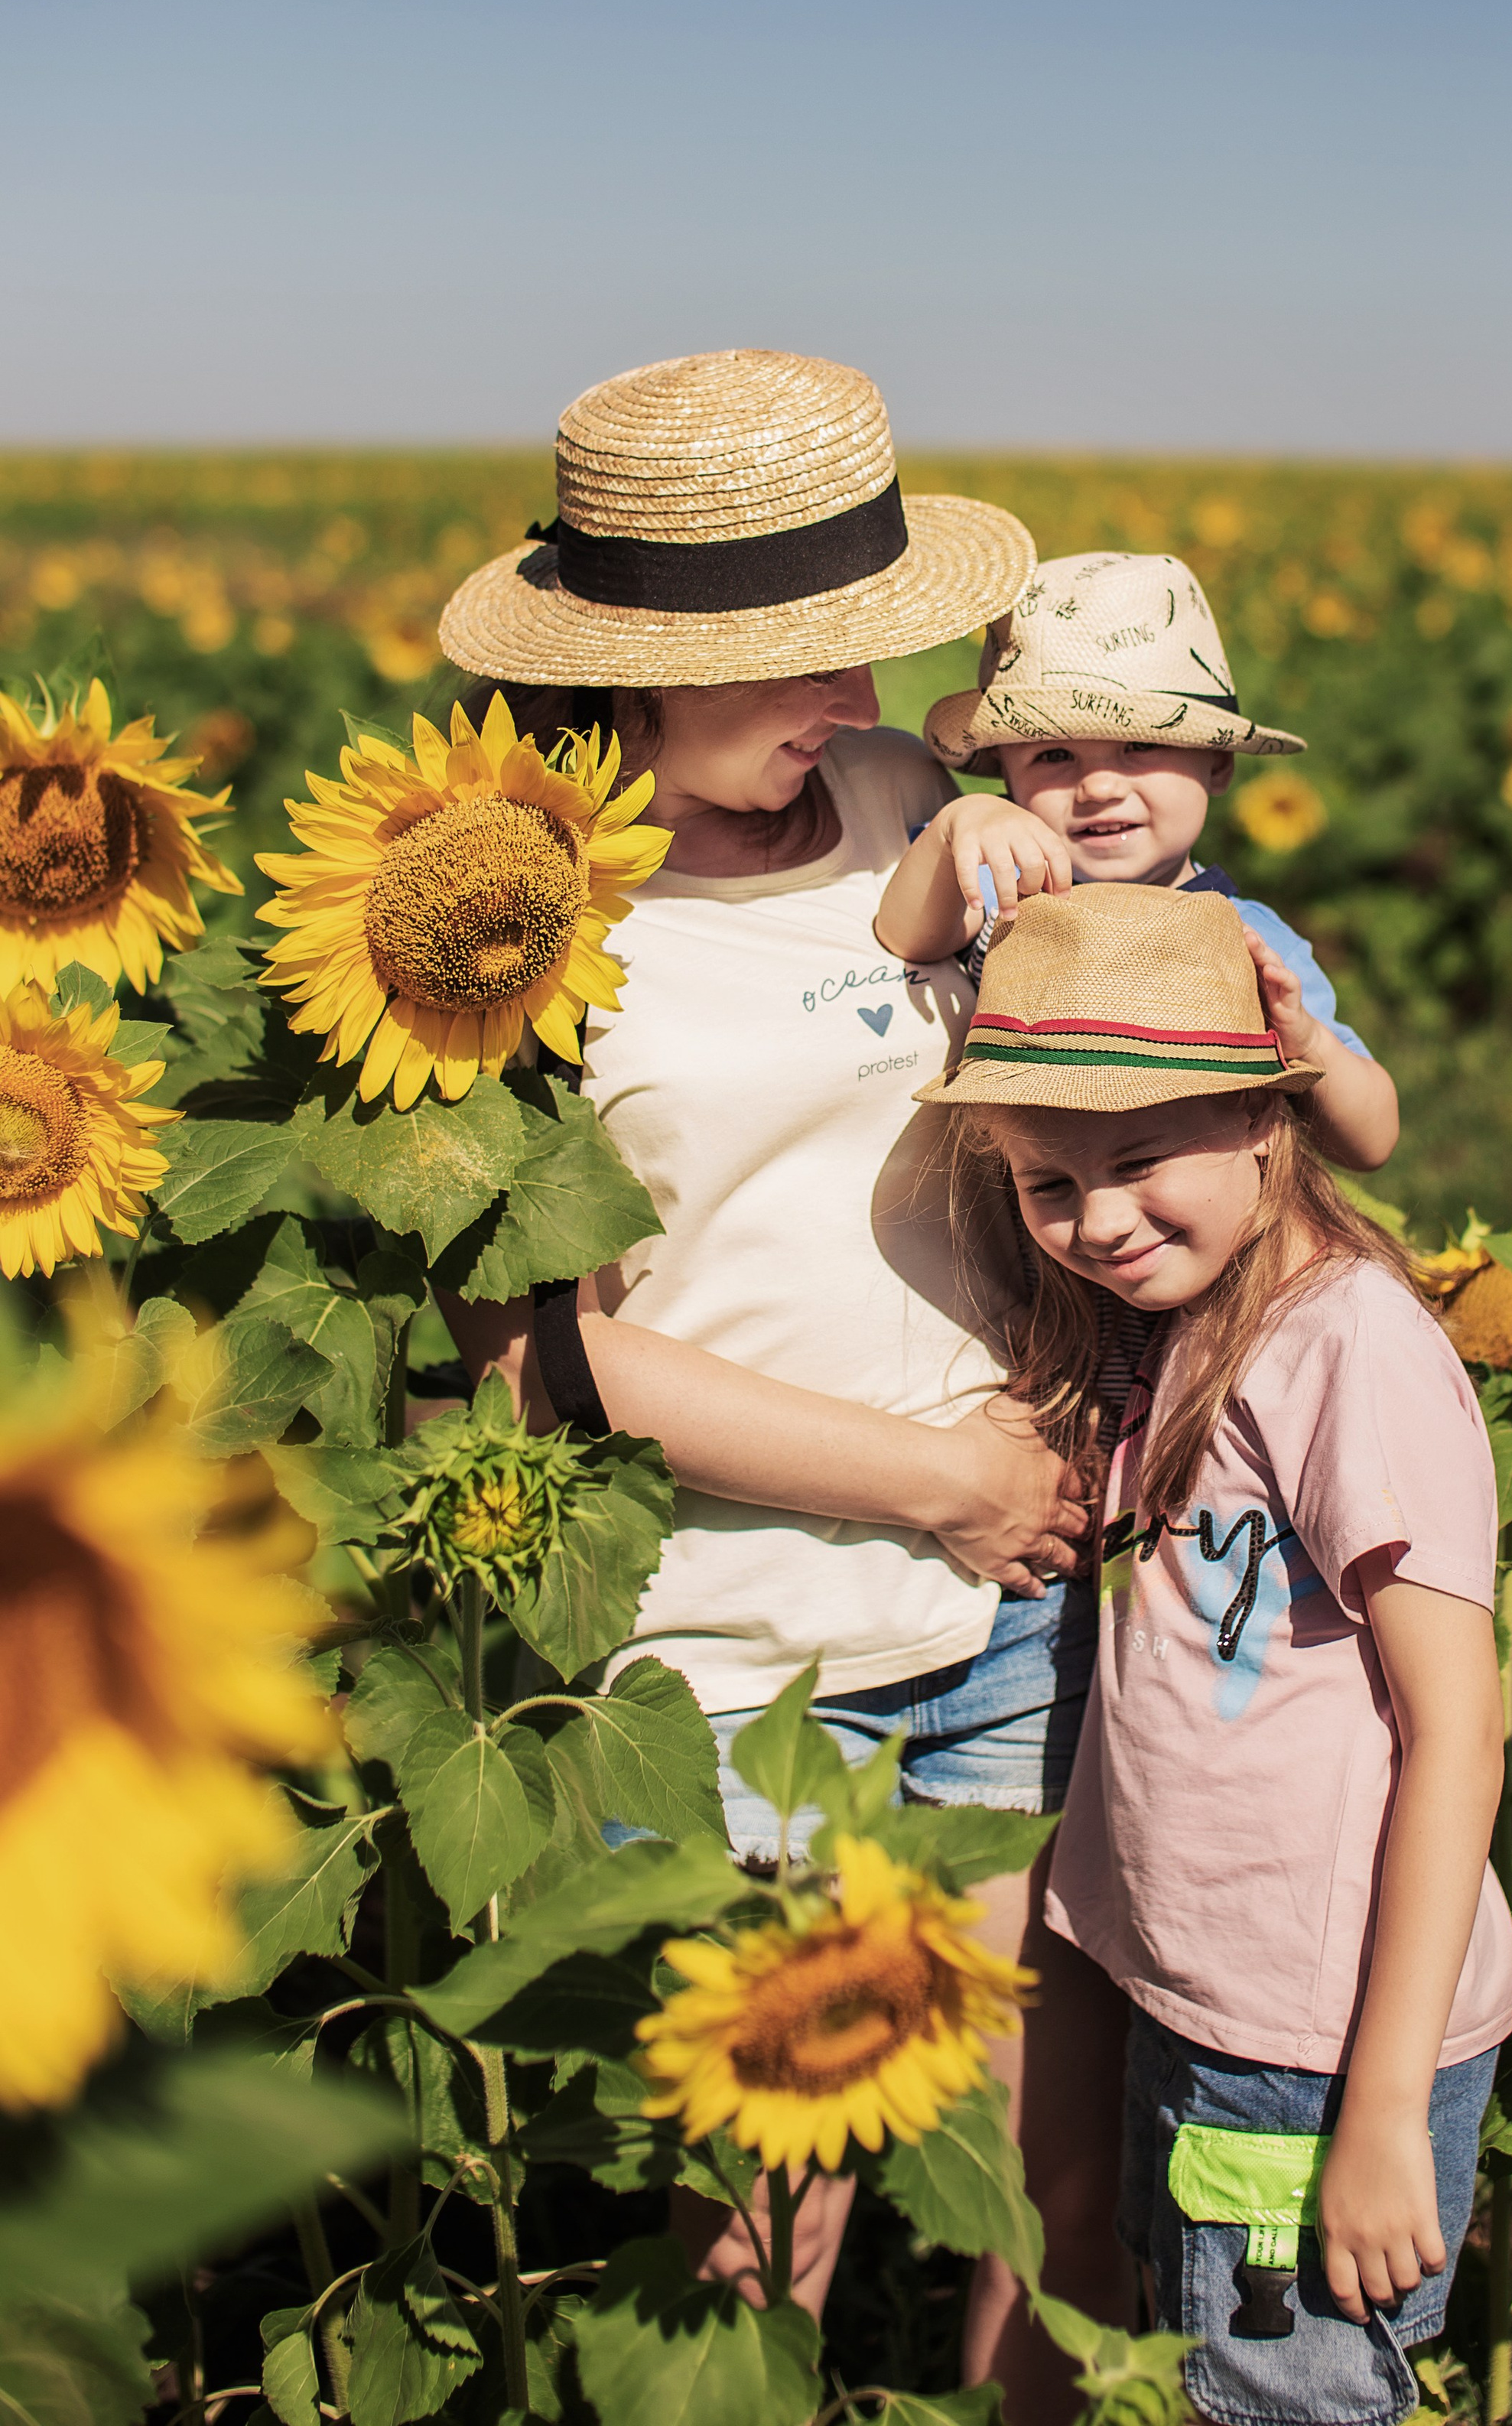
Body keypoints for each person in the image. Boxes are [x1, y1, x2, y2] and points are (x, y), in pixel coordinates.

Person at [434, 348, 1115, 2337]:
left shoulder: (903, 798)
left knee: (1017, 2156)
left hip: (988, 1628)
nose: (857, 700)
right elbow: (532, 1363)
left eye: (872, 650)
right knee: (756, 2227)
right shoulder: (510, 923)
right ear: (627, 664)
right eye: (806, 658)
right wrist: (944, 1479)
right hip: (722, 1663)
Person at [927, 886, 1512, 2426]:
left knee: (1288, 2395)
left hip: (1319, 2046)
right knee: (1214, 2372)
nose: (1096, 1221)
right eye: (1046, 1184)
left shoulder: (1349, 1350)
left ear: (1267, 1117)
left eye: (1136, 1163)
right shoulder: (1182, 1322)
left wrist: (1381, 2105)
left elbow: (1456, 1730)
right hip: (1214, 2001)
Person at [876, 548, 1400, 1173]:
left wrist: (1306, 1040)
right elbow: (908, 934)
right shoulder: (1007, 893)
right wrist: (953, 829)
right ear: (1007, 781)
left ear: (1219, 763)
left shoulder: (1247, 942)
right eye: (1052, 756)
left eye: (1140, 746)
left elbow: (1370, 1143)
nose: (1098, 787)